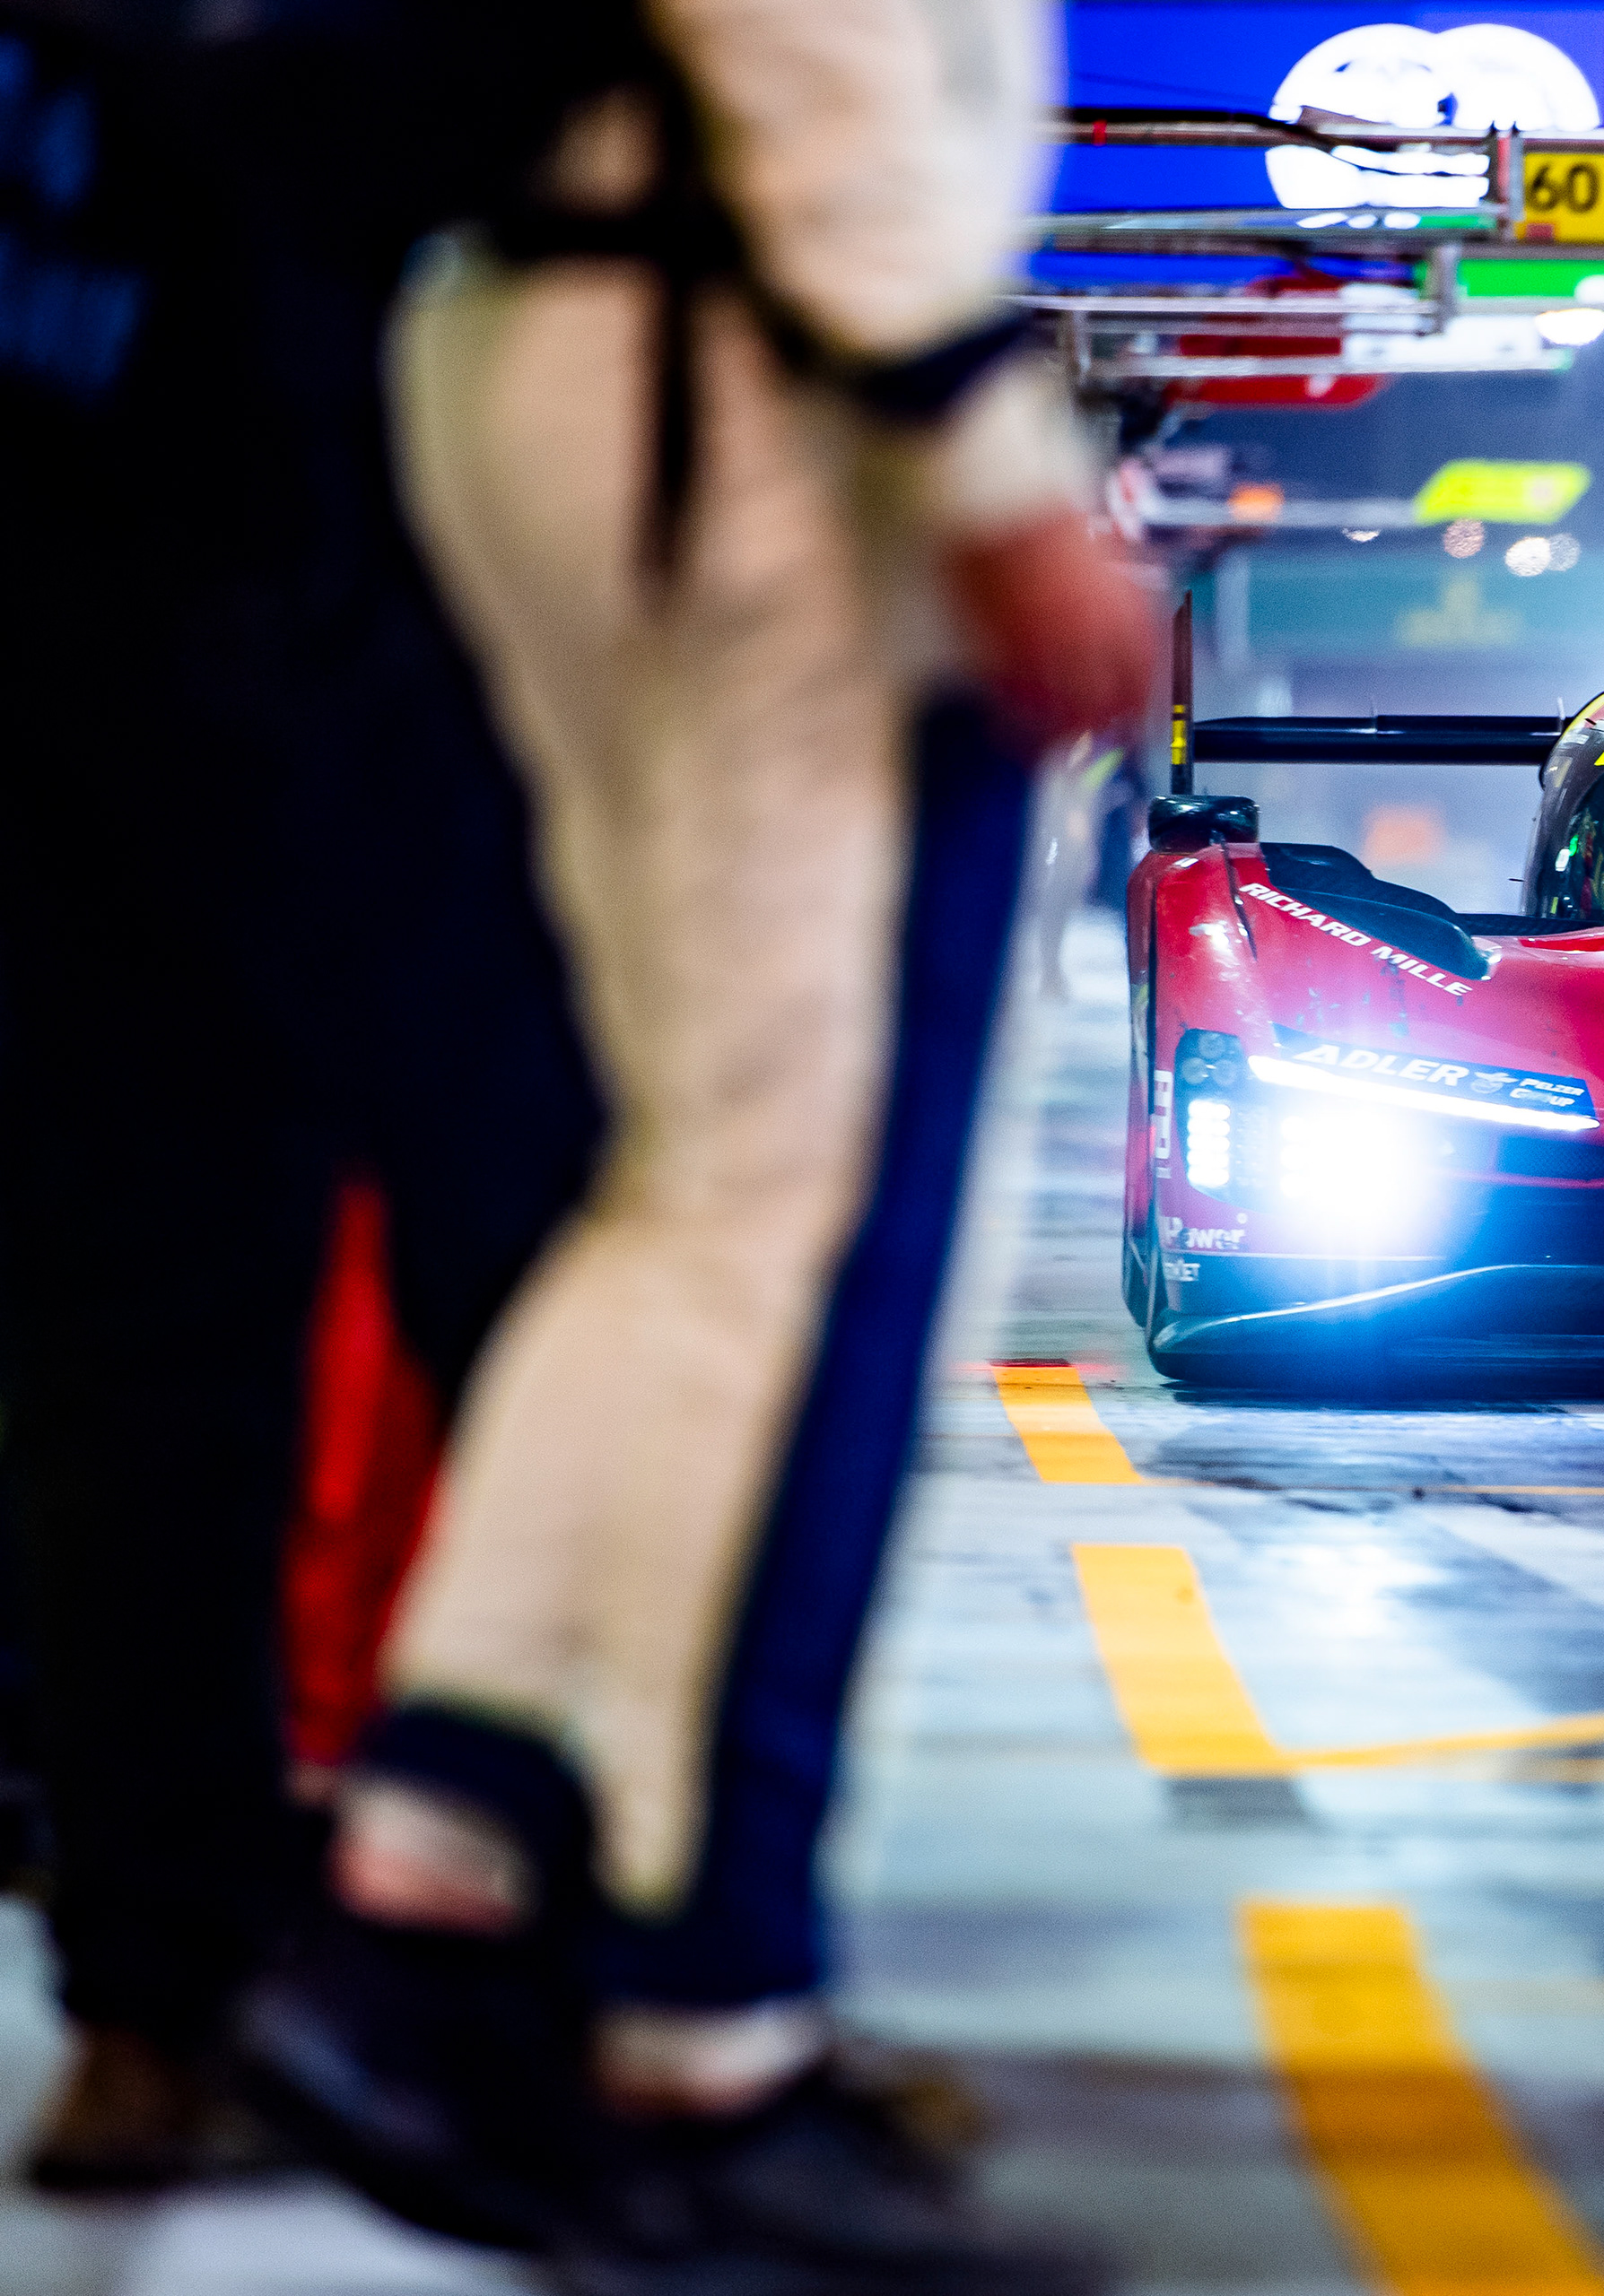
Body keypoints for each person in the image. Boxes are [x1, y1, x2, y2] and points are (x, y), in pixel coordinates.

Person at [233, 1, 1157, 2286]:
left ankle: (465, 1891)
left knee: (711, 1192)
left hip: (649, 340)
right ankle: (668, 2011)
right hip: (742, 386)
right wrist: (983, 454)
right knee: (779, 1211)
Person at [0, 4, 604, 2189]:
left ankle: (169, 1999)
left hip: (176, 586)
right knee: (506, 1281)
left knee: (151, 1334)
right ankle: (502, 1973)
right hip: (363, 597)